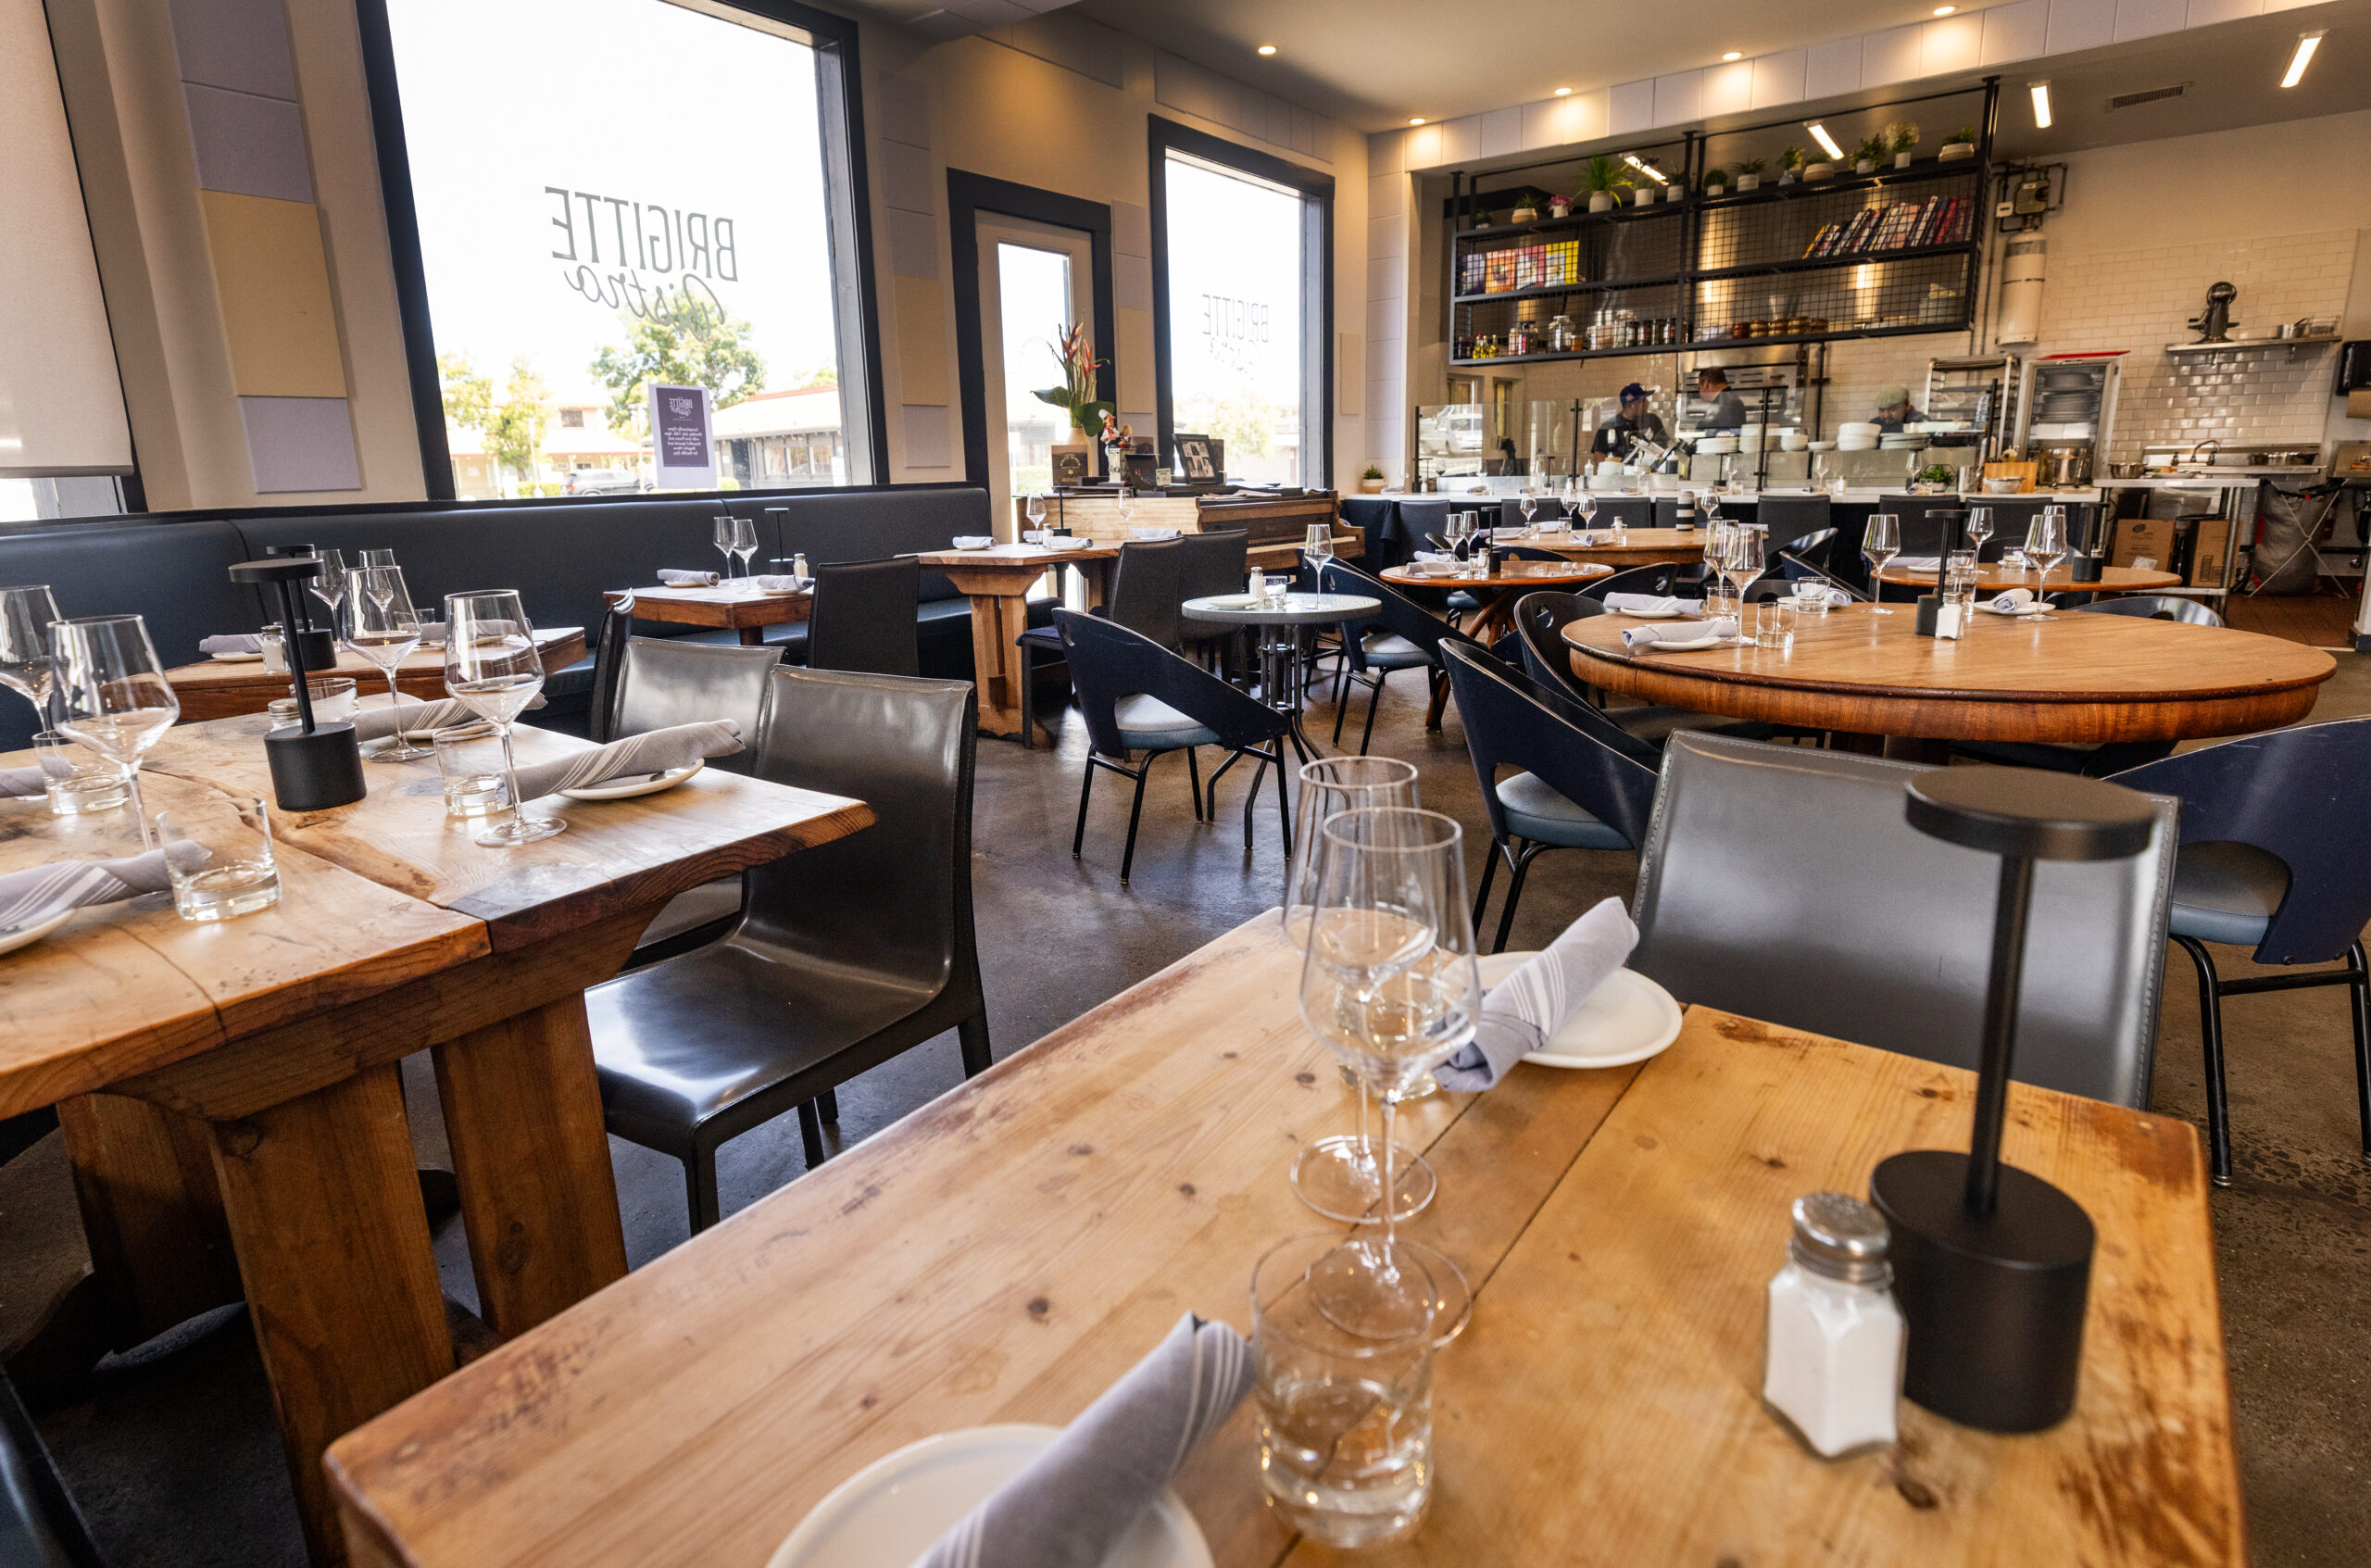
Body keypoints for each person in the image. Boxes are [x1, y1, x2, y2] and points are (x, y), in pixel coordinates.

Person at [1589, 383, 1668, 459]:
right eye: (1643, 400)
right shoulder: (1608, 426)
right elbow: (1599, 458)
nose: (1647, 402)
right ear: (1630, 405)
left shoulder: (1652, 421)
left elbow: (1664, 447)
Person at [1693, 367, 1749, 432]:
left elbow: (1724, 433)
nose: (1700, 392)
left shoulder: (1730, 403)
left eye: (1699, 387)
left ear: (1706, 384)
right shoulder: (1728, 400)